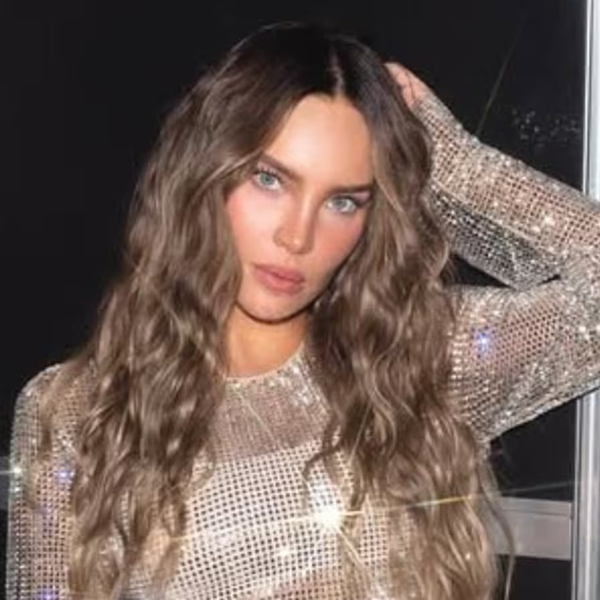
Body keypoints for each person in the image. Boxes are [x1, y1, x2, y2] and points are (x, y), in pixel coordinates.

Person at [7, 21, 600, 600]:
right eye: (270, 179)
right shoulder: (82, 411)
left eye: (343, 201)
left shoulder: (418, 361)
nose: (298, 235)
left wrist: (453, 164)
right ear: (205, 175)